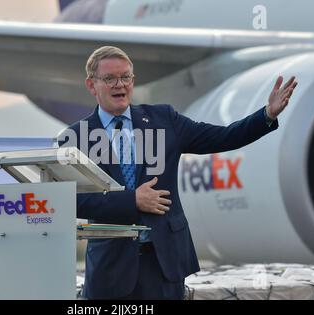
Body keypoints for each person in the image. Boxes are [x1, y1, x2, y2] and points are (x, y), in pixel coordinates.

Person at [58, 46, 297, 300]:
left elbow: (224, 137)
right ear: (91, 85)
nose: (120, 84)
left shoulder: (164, 118)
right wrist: (132, 201)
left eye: (126, 77)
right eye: (110, 79)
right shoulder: (75, 138)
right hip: (110, 268)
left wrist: (267, 115)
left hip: (163, 265)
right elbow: (68, 200)